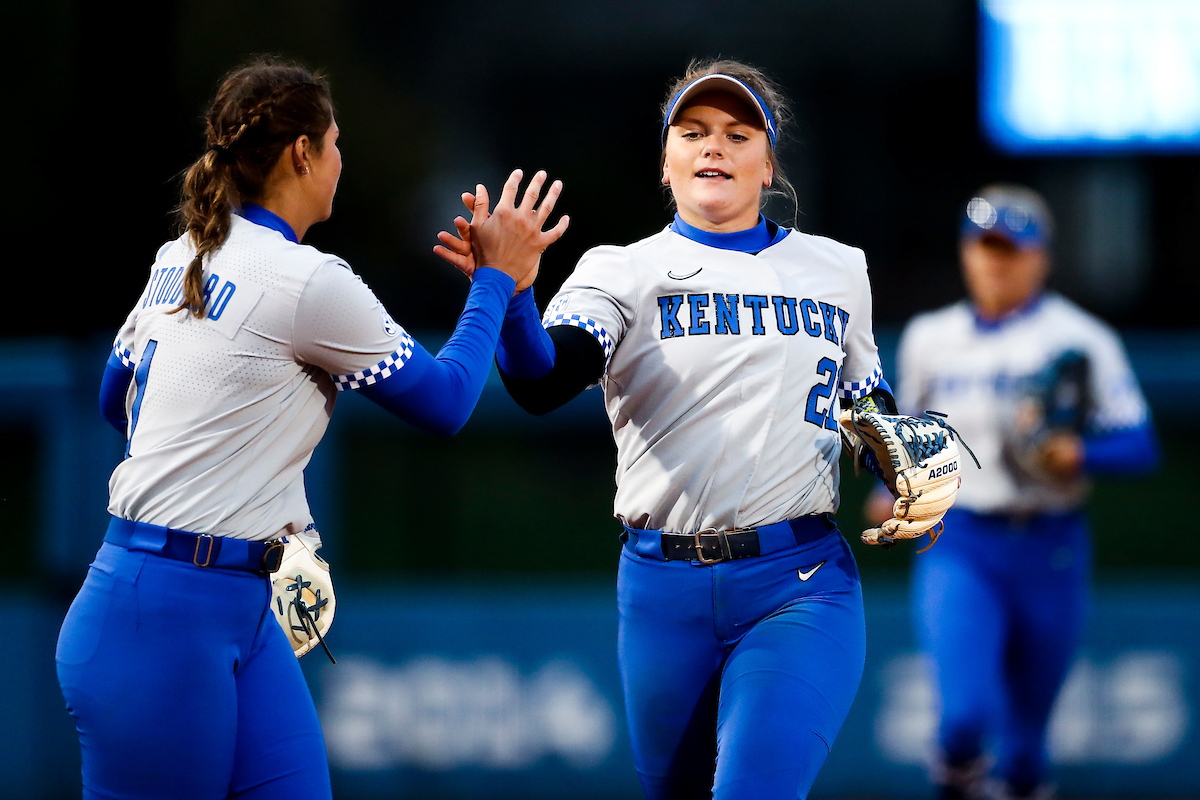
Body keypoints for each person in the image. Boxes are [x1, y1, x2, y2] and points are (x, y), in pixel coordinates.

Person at [55, 57, 566, 800]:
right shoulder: (308, 280)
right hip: (160, 621)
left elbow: (116, 401)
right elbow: (448, 402)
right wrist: (495, 277)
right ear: (302, 153)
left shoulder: (181, 254)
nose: (339, 159)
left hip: (230, 601)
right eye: (334, 143)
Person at [437, 58, 916, 800]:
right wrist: (515, 296)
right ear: (666, 164)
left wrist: (902, 462)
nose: (713, 145)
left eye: (736, 134)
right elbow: (542, 381)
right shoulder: (623, 270)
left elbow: (863, 400)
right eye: (692, 132)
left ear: (768, 165)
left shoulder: (836, 269)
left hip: (800, 580)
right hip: (662, 589)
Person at [875, 184, 1159, 800]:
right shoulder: (931, 338)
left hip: (1049, 544)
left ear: (1041, 257)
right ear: (966, 252)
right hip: (963, 540)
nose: (996, 262)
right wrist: (890, 485)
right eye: (986, 247)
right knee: (963, 720)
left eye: (1012, 248)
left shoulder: (1080, 338)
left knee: (1027, 750)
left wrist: (1083, 453)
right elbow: (906, 435)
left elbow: (1140, 444)